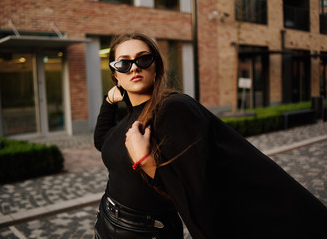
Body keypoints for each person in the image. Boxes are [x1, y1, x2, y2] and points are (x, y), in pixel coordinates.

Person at [94, 32, 327, 239]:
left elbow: (197, 190)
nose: (134, 67)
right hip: (105, 223)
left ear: (156, 66)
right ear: (115, 75)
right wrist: (108, 102)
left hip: (145, 231)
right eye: (123, 63)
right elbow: (102, 142)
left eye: (143, 59)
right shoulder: (128, 118)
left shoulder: (173, 109)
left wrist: (143, 161)